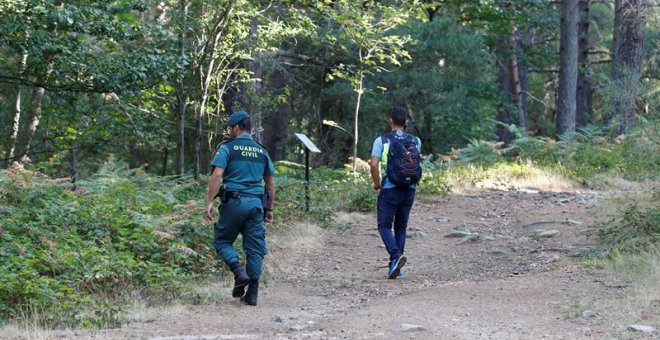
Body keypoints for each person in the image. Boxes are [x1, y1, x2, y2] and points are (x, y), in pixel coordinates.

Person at [205, 111, 275, 306]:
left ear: (236, 127)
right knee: (255, 249)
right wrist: (269, 209)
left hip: (233, 203)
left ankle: (238, 272)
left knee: (222, 241)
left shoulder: (228, 148)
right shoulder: (262, 151)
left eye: (230, 128)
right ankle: (252, 293)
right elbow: (270, 184)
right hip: (256, 205)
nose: (230, 131)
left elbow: (217, 174)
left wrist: (210, 201)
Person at [369, 106, 422, 279]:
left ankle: (395, 256)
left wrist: (377, 185)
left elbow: (374, 164)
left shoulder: (382, 141)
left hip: (390, 188)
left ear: (390, 120)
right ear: (405, 121)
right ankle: (395, 267)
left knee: (384, 225)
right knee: (400, 227)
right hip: (409, 189)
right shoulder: (416, 140)